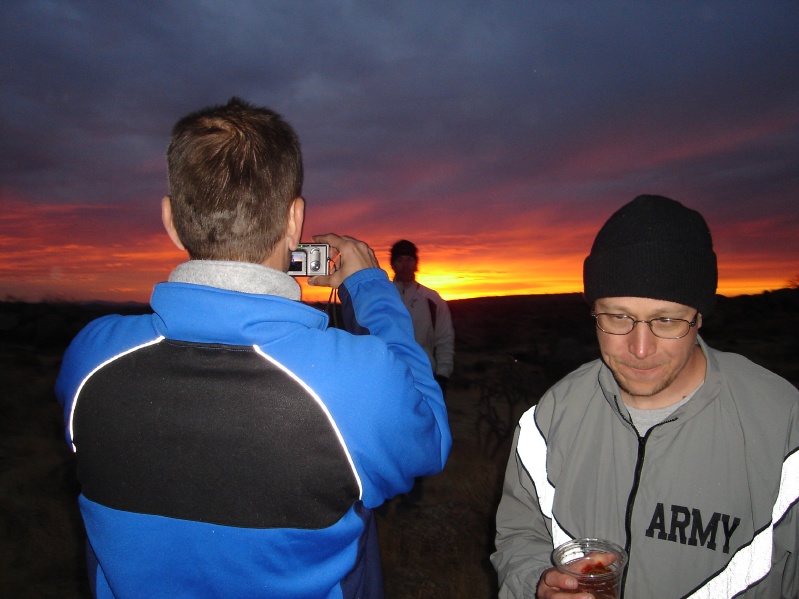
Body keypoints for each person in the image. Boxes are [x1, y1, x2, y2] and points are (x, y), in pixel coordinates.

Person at [55, 97, 451, 599]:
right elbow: (430, 439)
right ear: (294, 221)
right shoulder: (356, 382)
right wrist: (369, 286)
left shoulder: (90, 358)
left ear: (172, 220)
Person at [492, 195, 799, 598]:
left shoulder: (782, 424)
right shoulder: (551, 417)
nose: (639, 348)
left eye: (666, 320)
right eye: (618, 317)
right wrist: (537, 584)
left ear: (699, 316)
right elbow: (519, 533)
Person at [390, 239, 455, 395]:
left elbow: (444, 339)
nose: (405, 265)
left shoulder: (432, 300)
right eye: (400, 260)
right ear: (393, 264)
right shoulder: (382, 298)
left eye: (409, 259)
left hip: (424, 378)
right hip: (388, 376)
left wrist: (442, 376)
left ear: (416, 263)